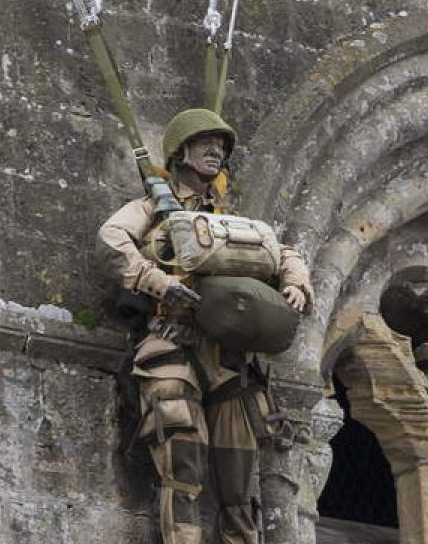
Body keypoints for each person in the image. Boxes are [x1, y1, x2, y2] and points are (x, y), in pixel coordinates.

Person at [98, 108, 313, 544]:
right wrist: (155, 280)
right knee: (182, 465)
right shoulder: (151, 210)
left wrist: (296, 284)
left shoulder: (227, 220)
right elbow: (111, 238)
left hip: (230, 362)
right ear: (181, 152)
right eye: (205, 144)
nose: (217, 151)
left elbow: (280, 250)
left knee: (239, 481)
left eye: (222, 146)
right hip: (173, 348)